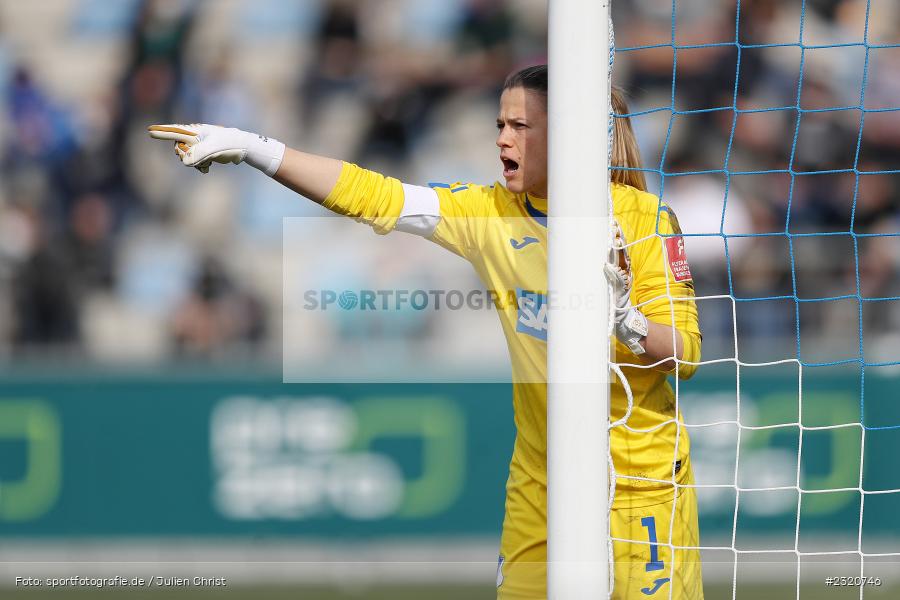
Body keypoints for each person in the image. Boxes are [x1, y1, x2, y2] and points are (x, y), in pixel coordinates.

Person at [148, 64, 703, 599]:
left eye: (520, 127)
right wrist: (256, 149)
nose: (503, 141)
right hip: (543, 484)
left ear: (568, 135)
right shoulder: (489, 213)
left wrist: (623, 319)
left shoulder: (642, 219)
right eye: (498, 126)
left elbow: (686, 352)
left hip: (641, 482)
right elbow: (374, 194)